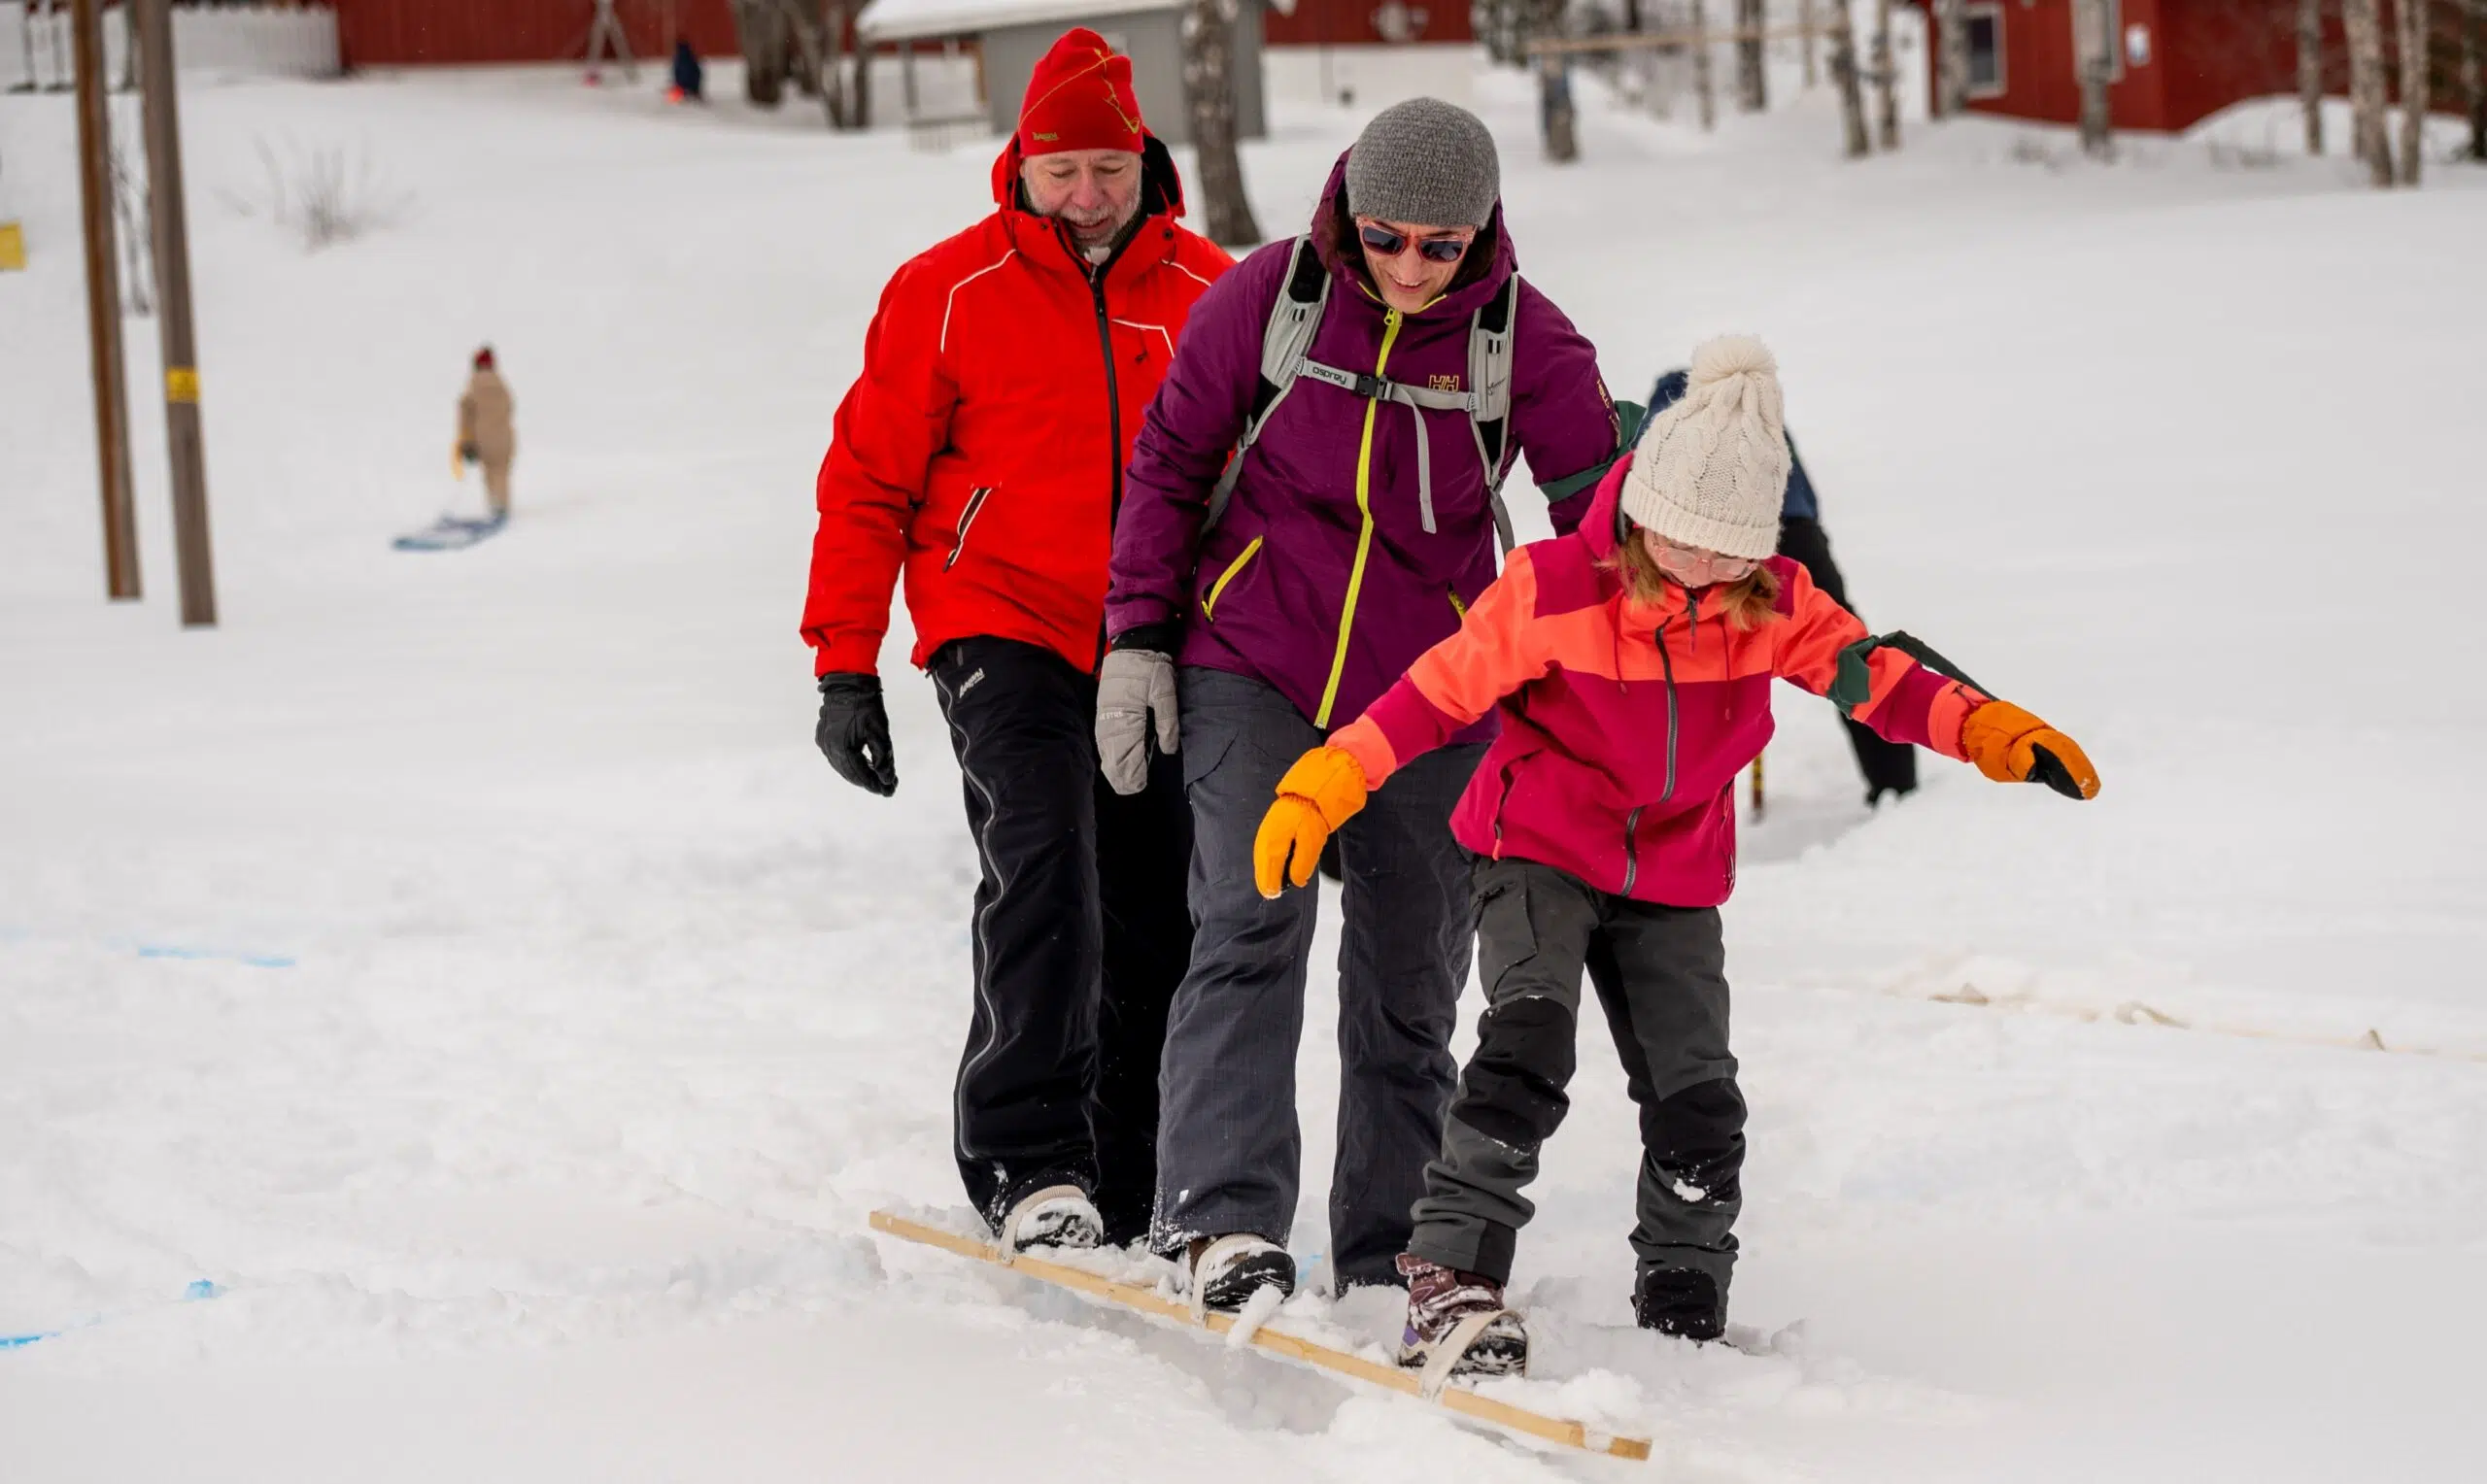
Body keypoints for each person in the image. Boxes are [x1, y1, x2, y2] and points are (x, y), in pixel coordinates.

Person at [1251, 337, 2097, 1374]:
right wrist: (1326, 779)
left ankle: (1685, 1294)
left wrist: (1990, 730)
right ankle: (1452, 1276)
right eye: (1681, 543)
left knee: (1699, 1096)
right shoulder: (1555, 586)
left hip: (1672, 871)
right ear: (1642, 507)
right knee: (1527, 1044)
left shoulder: (1772, 602)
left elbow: (1878, 678)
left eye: (1727, 554)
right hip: (1539, 845)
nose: (1699, 572)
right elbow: (1435, 694)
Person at [1103, 98, 1633, 1309]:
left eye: (1437, 247)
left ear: (1483, 232)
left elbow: (1594, 530)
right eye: (1384, 235)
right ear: (1347, 207)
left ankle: (1394, 1241)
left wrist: (1596, 693)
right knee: (1249, 920)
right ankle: (1220, 1219)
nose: (1405, 265)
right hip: (1253, 659)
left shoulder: (1526, 343)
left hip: (1433, 693)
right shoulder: (1269, 298)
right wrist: (1137, 634)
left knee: (1411, 976)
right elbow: (1172, 464)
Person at [801, 29, 1232, 1254]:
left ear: (1144, 161)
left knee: (1158, 901)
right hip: (1003, 617)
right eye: (1062, 172)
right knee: (1045, 861)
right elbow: (866, 481)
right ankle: (1029, 1159)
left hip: (1155, 633)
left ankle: (1132, 1167)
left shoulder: (1210, 293)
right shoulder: (946, 290)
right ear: (1021, 168)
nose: (1087, 197)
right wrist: (846, 661)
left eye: (1106, 168)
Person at [1646, 366, 1917, 804]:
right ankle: (1895, 782)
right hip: (1793, 526)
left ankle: (1671, 798)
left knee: (1683, 658)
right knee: (1847, 646)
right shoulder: (1758, 406)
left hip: (1706, 539)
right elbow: (1802, 489)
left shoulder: (1667, 408)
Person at [457, 346, 515, 521]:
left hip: (483, 438)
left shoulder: (473, 385)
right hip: (505, 437)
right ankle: (502, 505)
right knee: (501, 472)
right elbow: (509, 407)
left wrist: (466, 441)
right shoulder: (502, 384)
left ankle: (495, 505)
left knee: (489, 473)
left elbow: (465, 413)